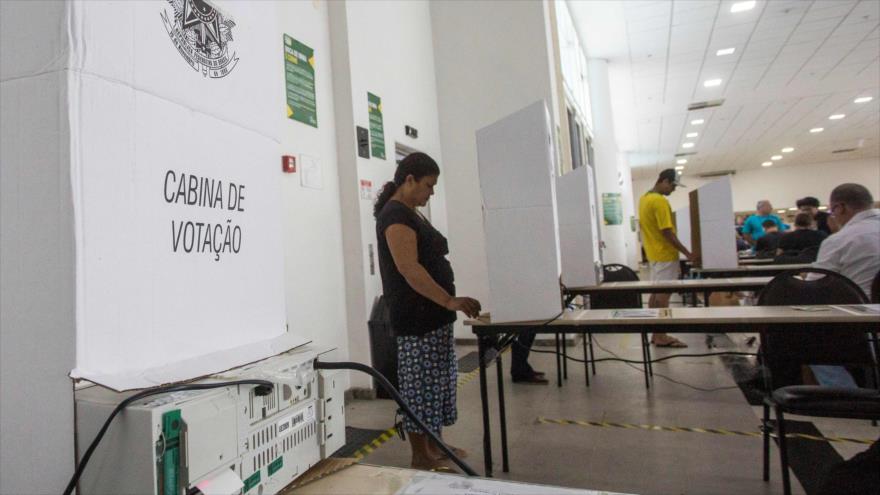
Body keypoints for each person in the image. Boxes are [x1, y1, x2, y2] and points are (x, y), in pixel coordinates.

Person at [374, 152, 481, 471]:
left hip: (432, 316)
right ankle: (421, 455)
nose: (431, 192)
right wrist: (449, 300)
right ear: (409, 181)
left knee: (438, 384)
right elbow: (409, 268)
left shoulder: (410, 211)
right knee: (419, 387)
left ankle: (436, 444)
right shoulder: (395, 216)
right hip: (417, 318)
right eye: (428, 185)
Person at [638, 168, 694, 348]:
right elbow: (666, 231)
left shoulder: (644, 199)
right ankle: (661, 335)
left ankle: (656, 333)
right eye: (673, 186)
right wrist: (687, 252)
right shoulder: (660, 201)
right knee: (663, 297)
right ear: (664, 181)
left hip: (653, 254)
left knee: (655, 295)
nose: (673, 190)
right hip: (665, 254)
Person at [812, 183, 880, 297]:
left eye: (831, 211)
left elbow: (817, 284)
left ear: (840, 208)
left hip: (863, 309)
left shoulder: (839, 240)